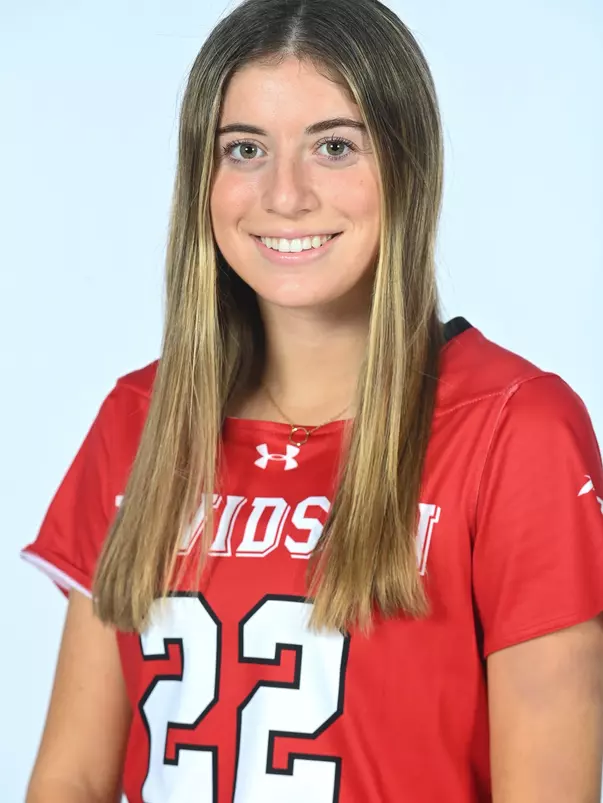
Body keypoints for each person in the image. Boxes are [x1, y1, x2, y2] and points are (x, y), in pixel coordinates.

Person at [21, 0, 603, 801]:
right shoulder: (140, 417)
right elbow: (73, 779)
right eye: (245, 149)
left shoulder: (514, 428)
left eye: (334, 147)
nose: (285, 195)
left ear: (407, 163)